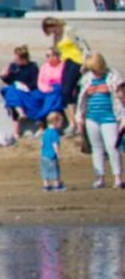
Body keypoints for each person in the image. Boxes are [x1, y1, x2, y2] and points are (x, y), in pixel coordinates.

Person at [76, 53, 123, 189]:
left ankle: (118, 177)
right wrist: (80, 118)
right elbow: (81, 99)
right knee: (96, 148)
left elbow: (120, 96)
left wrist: (106, 89)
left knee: (112, 147)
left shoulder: (113, 76)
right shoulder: (87, 79)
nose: (94, 73)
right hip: (92, 118)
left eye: (95, 69)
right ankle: (100, 178)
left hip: (110, 118)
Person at [41, 17, 87, 116]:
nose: (53, 32)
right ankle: (73, 120)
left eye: (52, 29)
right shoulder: (56, 36)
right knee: (65, 91)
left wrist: (85, 62)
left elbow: (82, 45)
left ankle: (75, 119)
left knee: (67, 89)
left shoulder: (68, 30)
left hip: (76, 60)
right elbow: (57, 51)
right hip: (66, 62)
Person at [0, 45, 41, 139]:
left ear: (24, 59)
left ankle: (16, 130)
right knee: (12, 91)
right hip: (16, 91)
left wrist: (24, 86)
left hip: (27, 91)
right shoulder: (13, 66)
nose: (15, 60)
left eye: (17, 59)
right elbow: (9, 80)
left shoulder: (32, 67)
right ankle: (19, 112)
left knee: (12, 93)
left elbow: (35, 83)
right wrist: (3, 75)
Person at [40, 111, 65, 191]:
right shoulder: (54, 133)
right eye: (60, 122)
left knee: (45, 170)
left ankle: (46, 185)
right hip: (51, 155)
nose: (61, 125)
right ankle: (57, 185)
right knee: (55, 170)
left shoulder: (45, 132)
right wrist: (58, 154)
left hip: (44, 155)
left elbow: (42, 144)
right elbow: (55, 144)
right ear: (55, 122)